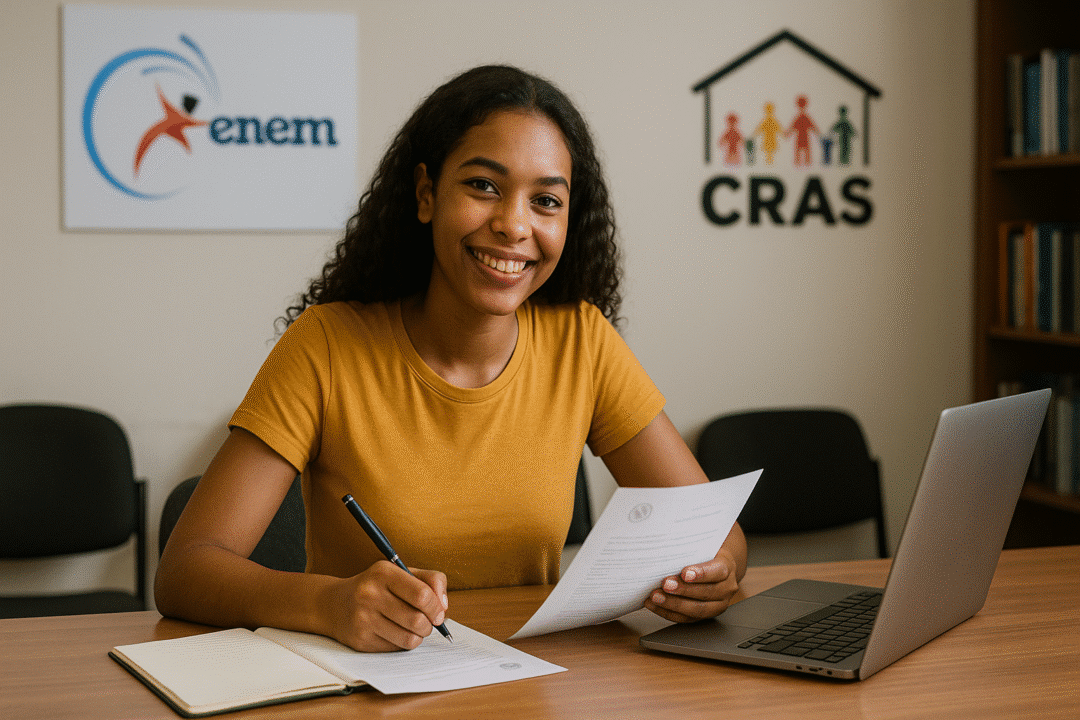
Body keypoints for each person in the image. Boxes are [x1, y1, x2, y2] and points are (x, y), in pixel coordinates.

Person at [155, 64, 747, 653]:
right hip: (368, 687)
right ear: (426, 194)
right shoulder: (326, 346)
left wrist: (713, 573)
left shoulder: (582, 341)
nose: (514, 224)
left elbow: (719, 536)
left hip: (528, 684)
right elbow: (186, 570)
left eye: (545, 200)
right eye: (483, 186)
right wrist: (326, 603)